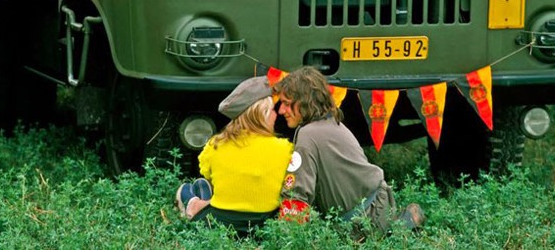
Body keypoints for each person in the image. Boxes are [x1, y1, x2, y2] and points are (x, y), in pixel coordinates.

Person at [273, 66, 425, 235]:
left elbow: (296, 196)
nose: (281, 110)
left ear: (303, 102)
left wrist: (284, 239)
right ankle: (400, 222)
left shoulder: (308, 134)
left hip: (364, 218)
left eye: (286, 104)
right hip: (378, 203)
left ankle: (401, 225)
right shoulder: (331, 122)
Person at [175, 76, 294, 234]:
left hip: (220, 223)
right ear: (261, 114)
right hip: (264, 225)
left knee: (190, 188)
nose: (276, 115)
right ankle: (199, 201)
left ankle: (192, 204)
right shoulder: (285, 148)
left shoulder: (215, 145)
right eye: (272, 110)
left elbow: (207, 174)